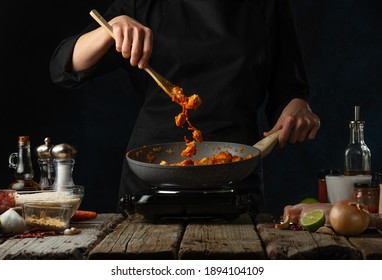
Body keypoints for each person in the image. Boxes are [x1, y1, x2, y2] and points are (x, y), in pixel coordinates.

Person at [50, 0, 320, 216]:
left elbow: (290, 87)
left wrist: (297, 107)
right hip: (152, 172)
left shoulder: (267, 4)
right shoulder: (143, 4)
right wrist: (110, 28)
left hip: (235, 170)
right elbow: (64, 67)